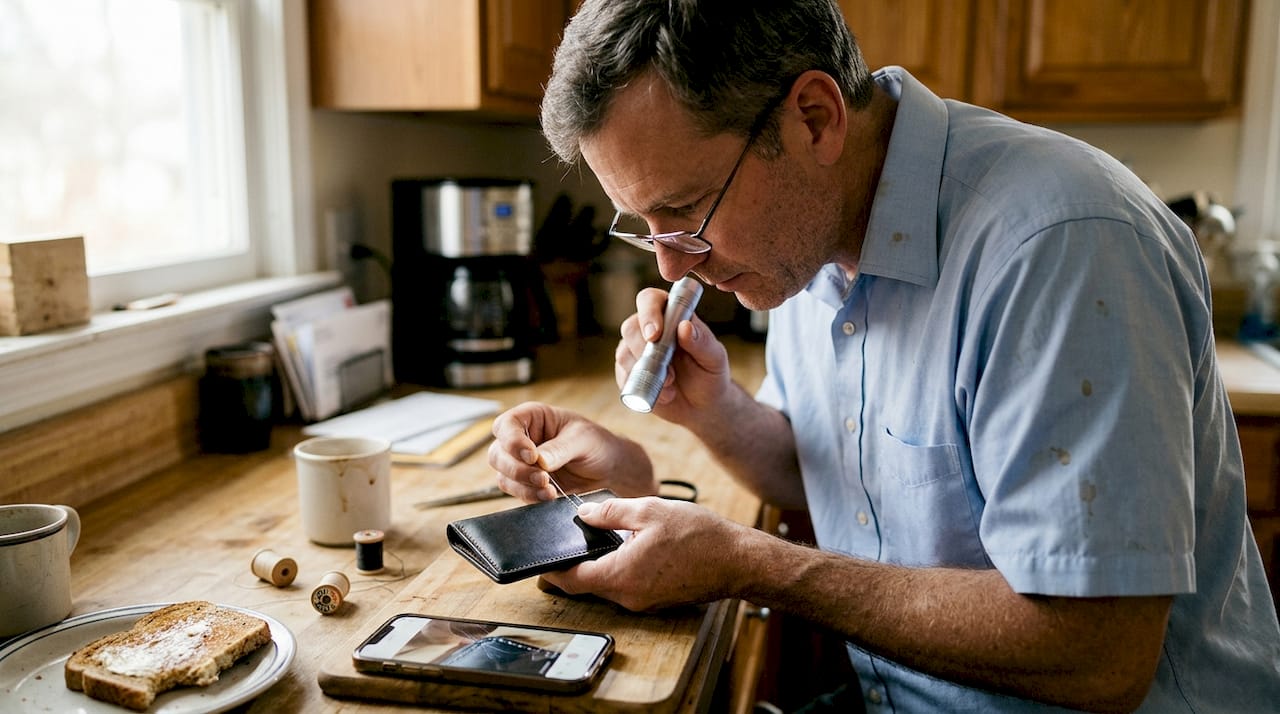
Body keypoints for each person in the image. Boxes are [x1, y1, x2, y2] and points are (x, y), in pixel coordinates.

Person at [486, 1, 1280, 711]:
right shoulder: (807, 241)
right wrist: (715, 413)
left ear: (814, 118)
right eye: (644, 224)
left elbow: (1098, 655)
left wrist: (750, 565)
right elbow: (844, 482)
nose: (669, 264)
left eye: (685, 210)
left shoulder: (1061, 246)